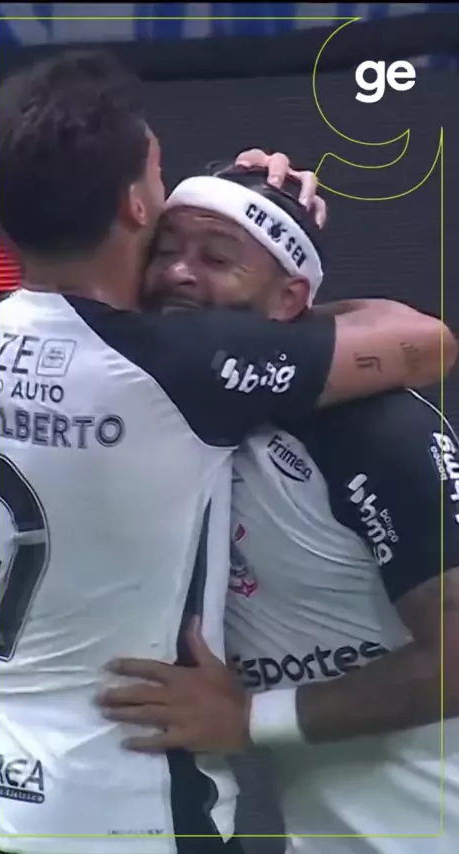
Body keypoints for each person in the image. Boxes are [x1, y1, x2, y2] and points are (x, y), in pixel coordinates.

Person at [98, 164, 459, 853]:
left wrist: (249, 718)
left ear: (290, 299)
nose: (177, 273)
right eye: (165, 251)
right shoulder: (164, 410)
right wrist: (238, 213)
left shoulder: (373, 430)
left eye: (215, 259)